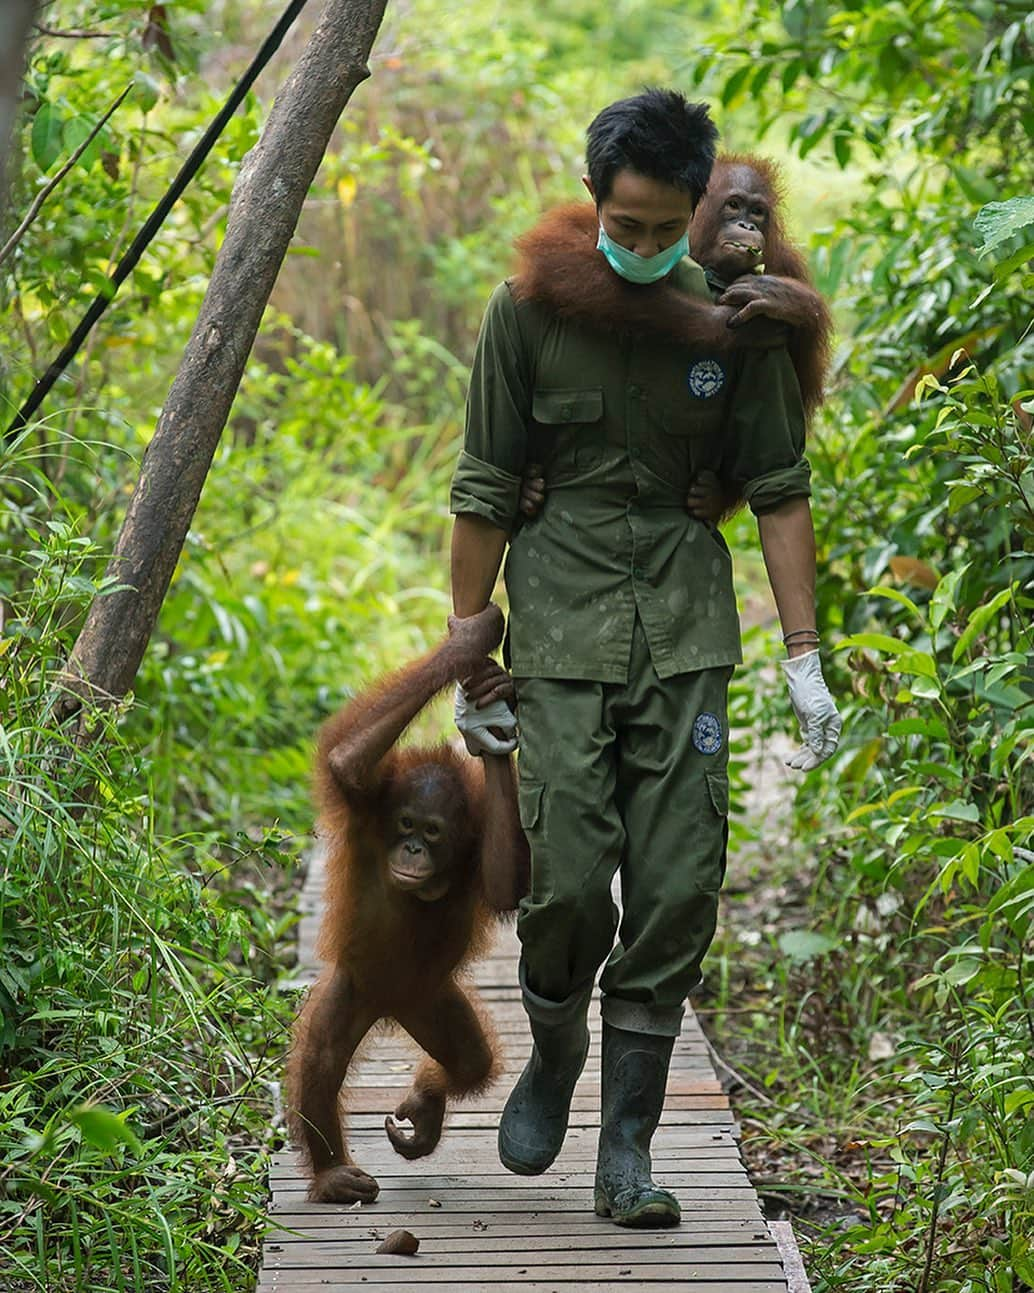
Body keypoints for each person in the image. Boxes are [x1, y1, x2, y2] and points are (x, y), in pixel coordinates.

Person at [447, 88, 841, 1230]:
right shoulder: (525, 311)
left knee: (675, 890)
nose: (642, 247)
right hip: (560, 631)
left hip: (682, 632)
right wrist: (469, 660)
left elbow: (776, 484)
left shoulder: (735, 317)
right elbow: (481, 486)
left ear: (694, 207)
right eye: (623, 226)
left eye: (665, 228)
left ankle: (627, 1146)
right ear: (592, 199)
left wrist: (802, 654)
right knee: (565, 882)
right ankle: (554, 1053)